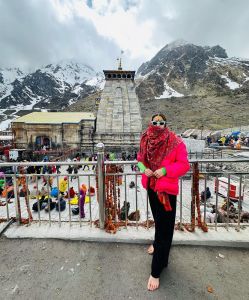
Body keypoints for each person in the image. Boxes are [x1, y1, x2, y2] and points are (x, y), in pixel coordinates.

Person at [137, 113, 190, 291]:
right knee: (160, 223)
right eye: (155, 122)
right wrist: (144, 169)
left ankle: (156, 271)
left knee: (165, 229)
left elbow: (184, 165)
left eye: (161, 122)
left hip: (166, 192)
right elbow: (139, 160)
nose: (158, 124)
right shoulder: (145, 138)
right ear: (151, 123)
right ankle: (159, 247)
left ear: (165, 123)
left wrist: (165, 170)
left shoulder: (175, 141)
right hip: (152, 188)